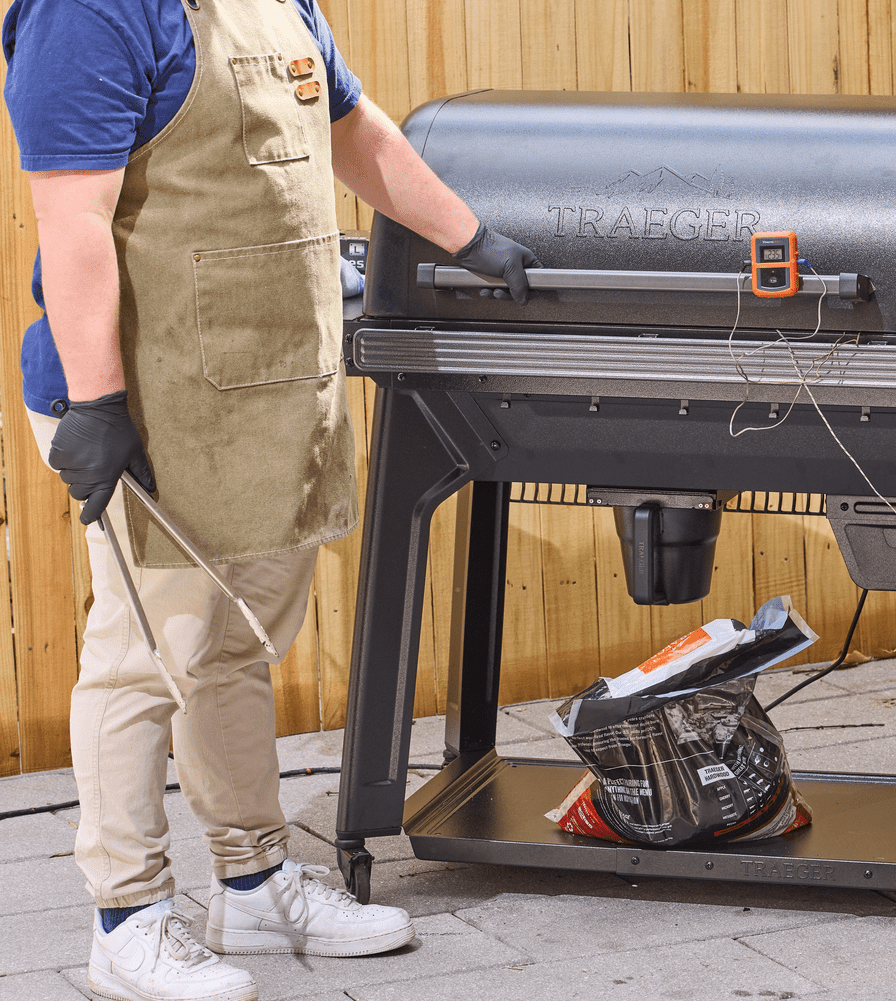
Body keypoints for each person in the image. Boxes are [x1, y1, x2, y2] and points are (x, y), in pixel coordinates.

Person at [3, 1, 539, 999]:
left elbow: (354, 130)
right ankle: (126, 917)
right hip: (144, 407)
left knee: (230, 648)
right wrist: (97, 402)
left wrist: (470, 238)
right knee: (143, 660)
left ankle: (252, 878)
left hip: (266, 391)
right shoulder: (88, 15)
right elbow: (71, 221)